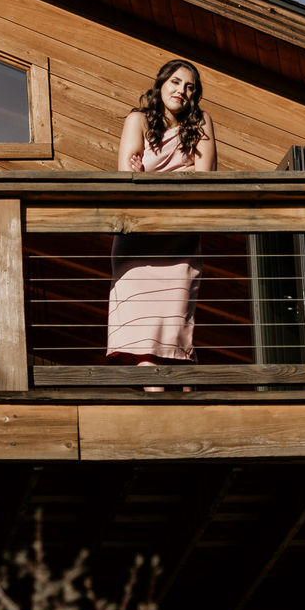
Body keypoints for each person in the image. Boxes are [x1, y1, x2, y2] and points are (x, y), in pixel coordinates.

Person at [108, 60, 216, 378]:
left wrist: (151, 175)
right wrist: (178, 174)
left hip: (179, 235)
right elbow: (127, 175)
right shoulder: (137, 119)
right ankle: (153, 392)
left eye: (190, 86)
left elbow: (205, 176)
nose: (181, 90)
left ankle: (179, 390)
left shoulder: (201, 122)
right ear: (160, 84)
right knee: (140, 334)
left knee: (175, 323)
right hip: (138, 238)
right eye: (175, 82)